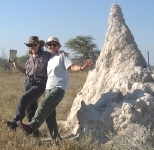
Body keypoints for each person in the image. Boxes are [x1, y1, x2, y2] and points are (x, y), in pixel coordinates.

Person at [16, 36, 93, 141]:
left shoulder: (62, 56)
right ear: (47, 46)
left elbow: (72, 66)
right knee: (49, 116)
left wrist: (82, 68)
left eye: (54, 44)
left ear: (58, 46)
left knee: (44, 104)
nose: (52, 46)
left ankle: (31, 127)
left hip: (59, 86)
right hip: (48, 87)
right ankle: (56, 140)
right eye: (50, 45)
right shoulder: (48, 58)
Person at [5, 36, 51, 137]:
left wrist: (62, 54)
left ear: (39, 44)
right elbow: (27, 72)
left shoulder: (46, 55)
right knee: (30, 108)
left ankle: (15, 121)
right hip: (29, 83)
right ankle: (34, 134)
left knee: (24, 98)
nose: (32, 47)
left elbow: (56, 55)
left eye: (34, 44)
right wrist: (16, 66)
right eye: (30, 45)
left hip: (40, 83)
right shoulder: (29, 58)